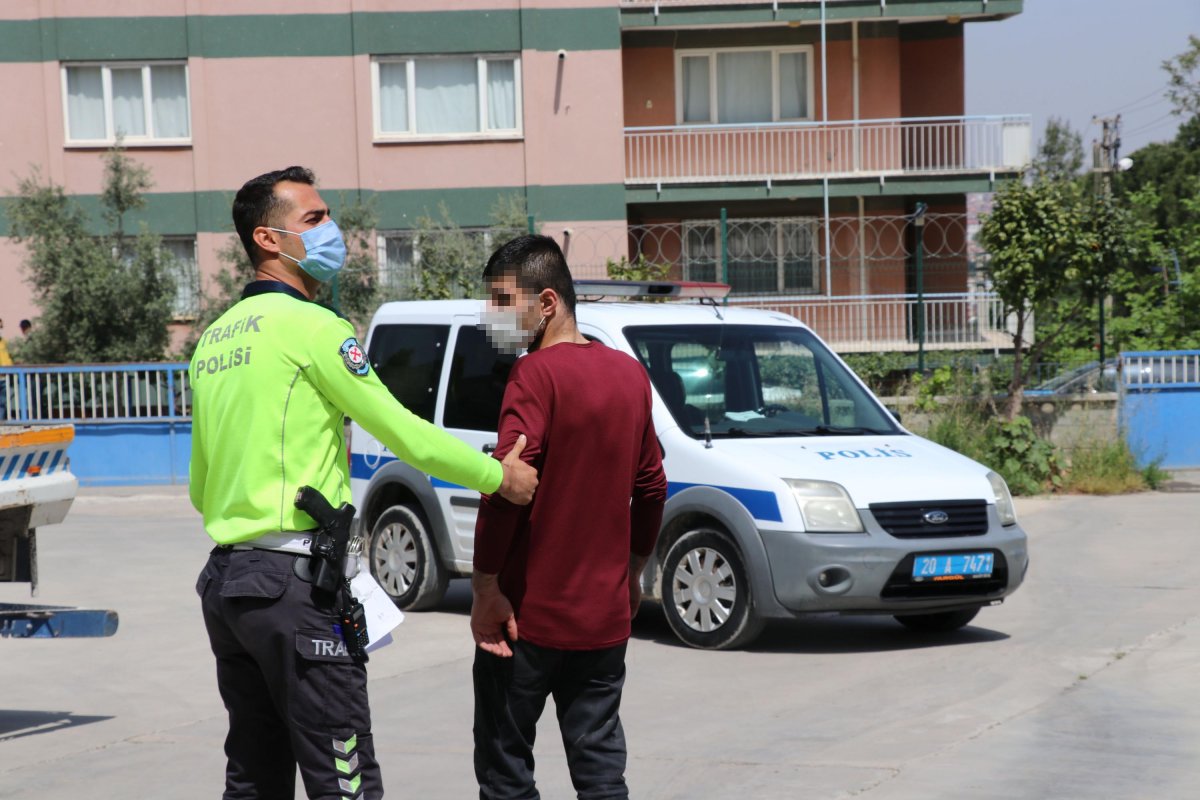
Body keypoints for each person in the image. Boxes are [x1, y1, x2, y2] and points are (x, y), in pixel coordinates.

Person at [189, 166, 538, 800]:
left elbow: (200, 486)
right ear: (268, 239)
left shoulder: (212, 341)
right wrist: (499, 476)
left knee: (254, 775)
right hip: (295, 587)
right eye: (315, 220)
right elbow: (402, 431)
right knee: (344, 780)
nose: (334, 232)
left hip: (229, 586)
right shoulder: (315, 328)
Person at [470, 235, 668, 800]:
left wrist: (485, 587)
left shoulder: (534, 376)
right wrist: (631, 571)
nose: (494, 315)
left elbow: (507, 485)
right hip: (603, 624)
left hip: (523, 624)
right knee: (602, 772)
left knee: (507, 773)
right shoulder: (630, 376)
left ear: (548, 302)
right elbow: (652, 485)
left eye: (504, 301)